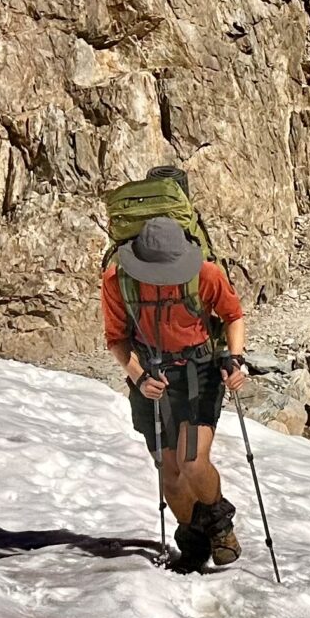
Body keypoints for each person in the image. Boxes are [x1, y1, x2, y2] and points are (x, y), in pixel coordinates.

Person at [102, 216, 249, 571]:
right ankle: (194, 543)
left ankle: (220, 527)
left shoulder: (207, 274)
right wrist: (138, 377)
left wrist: (236, 359)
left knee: (192, 461)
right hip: (151, 375)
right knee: (170, 472)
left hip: (200, 371)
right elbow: (116, 339)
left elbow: (233, 315)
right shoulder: (118, 281)